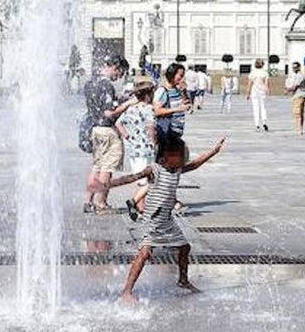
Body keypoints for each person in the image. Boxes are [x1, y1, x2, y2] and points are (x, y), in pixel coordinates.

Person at [118, 133, 226, 303]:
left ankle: (183, 280)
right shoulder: (155, 170)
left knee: (185, 247)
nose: (181, 158)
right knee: (144, 253)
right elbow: (136, 176)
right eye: (177, 155)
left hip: (166, 220)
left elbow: (195, 164)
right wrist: (111, 183)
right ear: (163, 157)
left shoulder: (177, 170)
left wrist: (213, 151)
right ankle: (127, 291)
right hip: (152, 220)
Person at [83, 55, 129, 213]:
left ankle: (88, 201)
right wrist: (127, 104)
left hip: (95, 129)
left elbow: (97, 107)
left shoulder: (90, 83)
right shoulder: (106, 85)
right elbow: (109, 113)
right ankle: (101, 203)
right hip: (108, 130)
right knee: (107, 168)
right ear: (116, 67)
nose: (119, 77)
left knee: (96, 167)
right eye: (120, 73)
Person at [115, 77, 157, 220]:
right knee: (152, 180)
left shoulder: (131, 109)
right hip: (146, 150)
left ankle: (141, 209)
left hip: (134, 149)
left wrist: (127, 136)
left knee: (141, 180)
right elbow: (151, 128)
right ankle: (135, 203)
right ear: (148, 95)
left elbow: (118, 123)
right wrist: (154, 143)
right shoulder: (148, 109)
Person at [154, 62, 189, 138]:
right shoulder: (162, 91)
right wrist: (177, 109)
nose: (183, 79)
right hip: (167, 131)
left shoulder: (176, 89)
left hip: (177, 131)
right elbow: (157, 111)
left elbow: (187, 105)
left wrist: (184, 92)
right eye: (180, 75)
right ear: (172, 75)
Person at [284, 61, 305, 134]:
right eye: (293, 67)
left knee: (297, 112)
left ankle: (299, 129)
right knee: (299, 112)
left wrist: (287, 90)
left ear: (299, 67)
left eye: (295, 67)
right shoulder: (292, 75)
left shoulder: (300, 75)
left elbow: (295, 86)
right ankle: (299, 127)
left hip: (300, 94)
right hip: (295, 95)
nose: (294, 69)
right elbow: (289, 82)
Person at [247, 58, 269, 131]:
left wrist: (248, 93)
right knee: (263, 107)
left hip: (254, 92)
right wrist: (267, 91)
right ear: (262, 65)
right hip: (262, 91)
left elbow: (249, 84)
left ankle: (257, 125)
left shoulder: (252, 73)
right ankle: (264, 122)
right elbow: (266, 84)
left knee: (255, 108)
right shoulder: (265, 73)